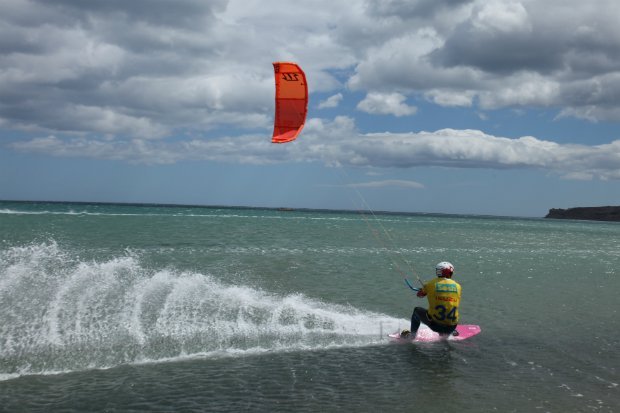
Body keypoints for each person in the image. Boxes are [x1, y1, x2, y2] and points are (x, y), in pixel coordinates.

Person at [401, 261, 462, 338]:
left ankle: (412, 336)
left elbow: (419, 295)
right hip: (452, 326)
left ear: (438, 272)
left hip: (435, 326)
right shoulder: (458, 286)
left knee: (416, 310)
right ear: (450, 272)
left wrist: (424, 290)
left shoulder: (431, 284)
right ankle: (449, 332)